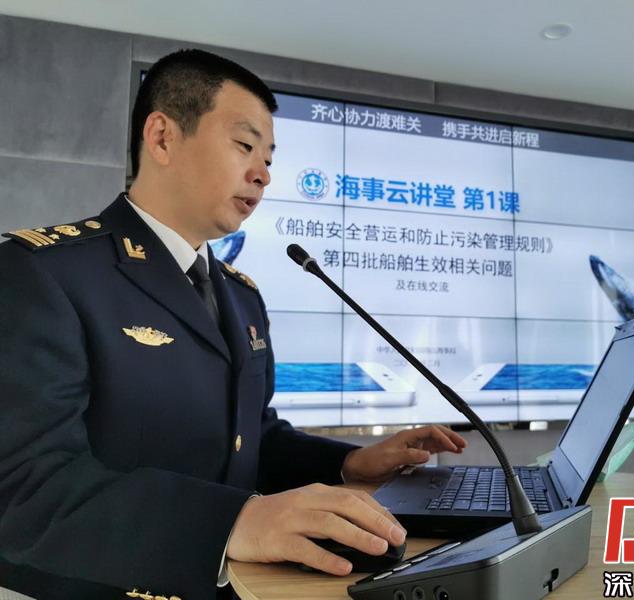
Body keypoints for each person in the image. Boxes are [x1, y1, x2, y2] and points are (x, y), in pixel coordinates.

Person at [0, 49, 467, 600]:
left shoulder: (241, 297)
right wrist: (231, 523)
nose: (263, 174)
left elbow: (252, 439)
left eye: (268, 157)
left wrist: (349, 463)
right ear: (162, 137)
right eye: (245, 146)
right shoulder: (44, 273)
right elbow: (23, 487)